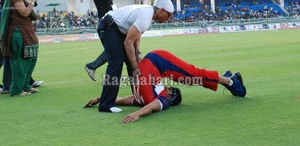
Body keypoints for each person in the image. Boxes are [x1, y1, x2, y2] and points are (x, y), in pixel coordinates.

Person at [84, 49, 247, 123]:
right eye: (169, 88)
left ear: (170, 95)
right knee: (193, 76)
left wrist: (101, 99)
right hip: (159, 60)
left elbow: (122, 100)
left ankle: (228, 79)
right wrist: (138, 114)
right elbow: (154, 106)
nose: (168, 87)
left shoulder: (144, 99)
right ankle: (231, 82)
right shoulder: (159, 96)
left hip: (155, 63)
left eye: (170, 88)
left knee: (193, 77)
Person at [94, 0, 174, 113]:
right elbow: (128, 42)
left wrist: (137, 54)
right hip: (108, 27)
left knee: (133, 63)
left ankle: (139, 97)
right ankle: (105, 104)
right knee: (116, 62)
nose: (169, 18)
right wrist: (135, 67)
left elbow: (136, 36)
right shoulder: (146, 16)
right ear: (161, 10)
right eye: (169, 14)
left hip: (117, 29)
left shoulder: (148, 16)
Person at [0, 0, 44, 94]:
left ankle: (25, 86)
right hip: (18, 34)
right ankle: (17, 89)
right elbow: (24, 13)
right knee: (20, 62)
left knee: (30, 59)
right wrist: (32, 2)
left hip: (24, 33)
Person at [84, 0, 122, 81]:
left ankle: (92, 66)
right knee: (113, 49)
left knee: (114, 49)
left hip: (110, 21)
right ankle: (92, 66)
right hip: (105, 23)